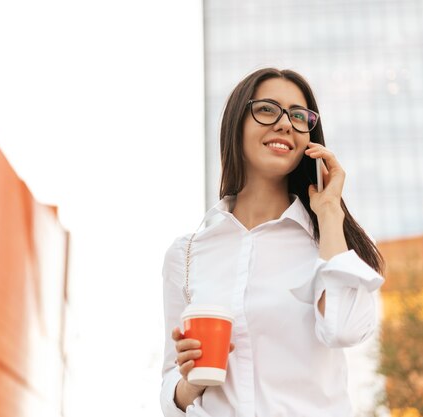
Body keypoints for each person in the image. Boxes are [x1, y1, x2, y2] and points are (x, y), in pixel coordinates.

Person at [160, 68, 386, 417]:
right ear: (237, 123)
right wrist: (191, 380)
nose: (285, 124)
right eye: (267, 109)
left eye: (298, 116)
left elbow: (344, 330)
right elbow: (170, 391)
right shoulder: (187, 254)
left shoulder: (332, 243)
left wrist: (328, 214)